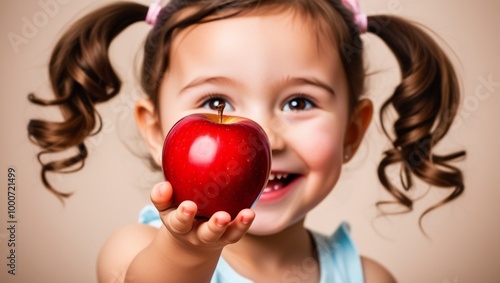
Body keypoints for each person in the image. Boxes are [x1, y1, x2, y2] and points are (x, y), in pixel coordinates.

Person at [27, 0, 466, 282]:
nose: (265, 138)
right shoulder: (135, 253)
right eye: (216, 99)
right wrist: (186, 253)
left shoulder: (367, 278)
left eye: (298, 102)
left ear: (352, 131)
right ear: (156, 128)